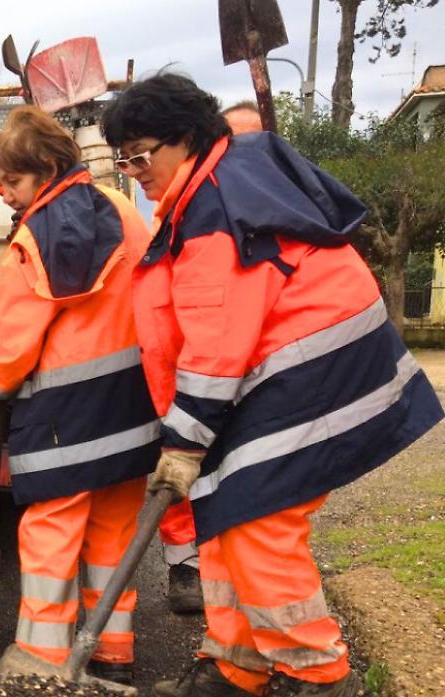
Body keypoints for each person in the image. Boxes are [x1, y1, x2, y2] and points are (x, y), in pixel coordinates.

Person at [102, 73, 443, 697]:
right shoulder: (213, 187)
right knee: (226, 514)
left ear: (185, 139)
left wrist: (183, 443)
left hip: (313, 372)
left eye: (140, 154)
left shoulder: (215, 207)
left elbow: (215, 341)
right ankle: (238, 665)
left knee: (258, 521)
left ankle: (319, 675)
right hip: (284, 369)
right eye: (123, 158)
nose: (132, 169)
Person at [0, 106, 160, 688]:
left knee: (51, 536)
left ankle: (45, 660)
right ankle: (113, 650)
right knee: (113, 533)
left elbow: (12, 343)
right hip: (132, 408)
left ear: (49, 168)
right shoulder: (126, 211)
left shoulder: (32, 240)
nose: (3, 193)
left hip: (61, 420)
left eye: (13, 181)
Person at [158, 97, 268, 617]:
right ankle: (189, 573)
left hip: (244, 391)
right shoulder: (192, 212)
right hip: (195, 383)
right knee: (190, 490)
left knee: (248, 523)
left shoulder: (248, 214)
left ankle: (279, 660)